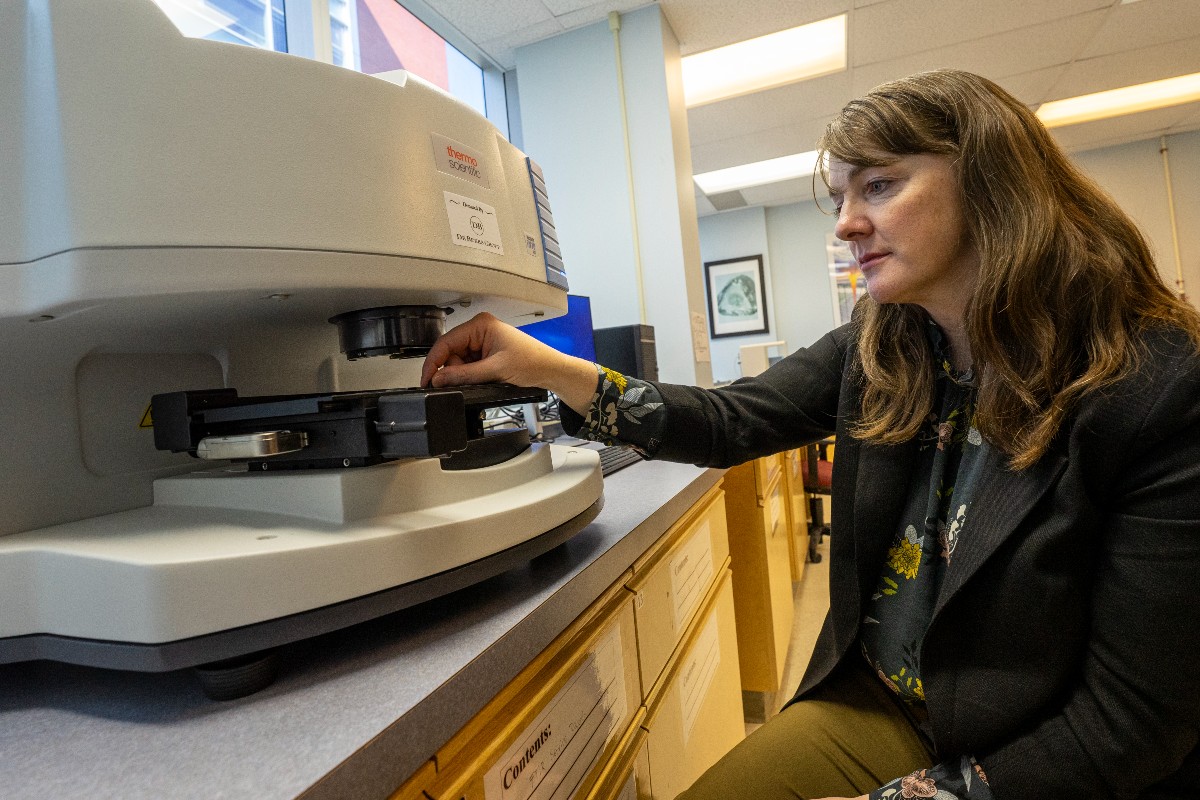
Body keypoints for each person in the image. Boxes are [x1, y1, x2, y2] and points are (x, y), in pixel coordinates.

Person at [421, 69, 1200, 800]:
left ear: (994, 183)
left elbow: (1132, 722)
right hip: (888, 706)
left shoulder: (1153, 383)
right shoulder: (886, 339)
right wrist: (549, 368)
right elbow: (730, 420)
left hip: (1031, 748)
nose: (847, 224)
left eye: (881, 185)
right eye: (841, 195)